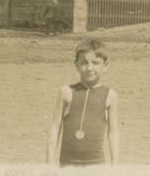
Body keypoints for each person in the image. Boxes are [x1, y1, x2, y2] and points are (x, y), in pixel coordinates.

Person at [47, 39, 119, 167]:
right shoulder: (66, 92)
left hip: (96, 164)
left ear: (106, 65)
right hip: (67, 164)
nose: (89, 68)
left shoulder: (110, 95)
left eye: (95, 63)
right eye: (84, 63)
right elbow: (55, 127)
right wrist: (49, 161)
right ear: (76, 64)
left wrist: (115, 165)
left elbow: (113, 132)